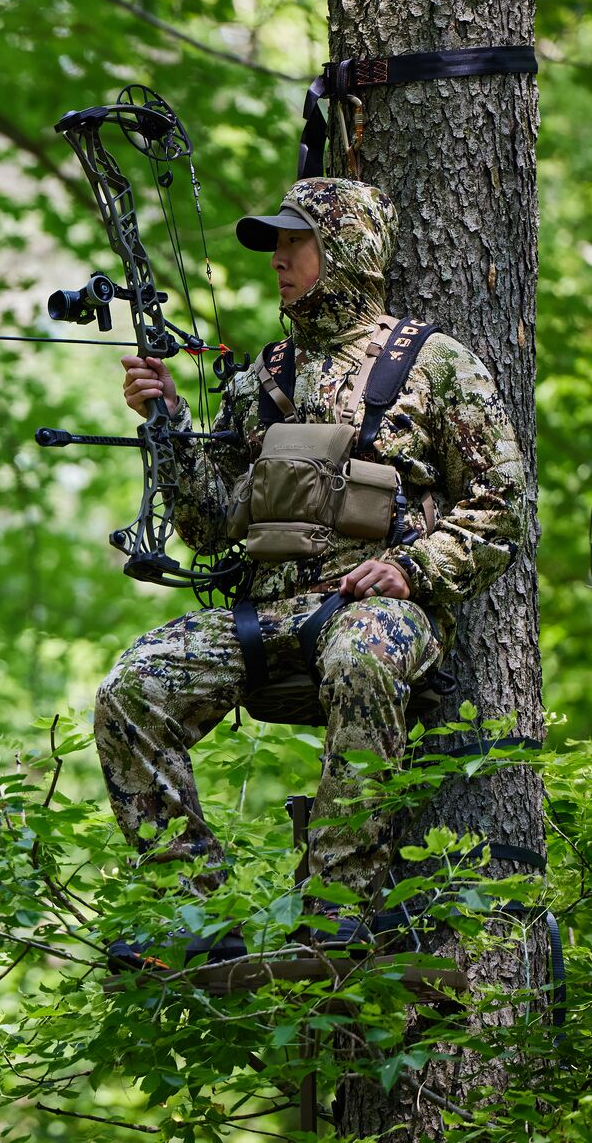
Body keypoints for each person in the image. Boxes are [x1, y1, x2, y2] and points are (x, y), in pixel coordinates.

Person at [93, 175, 527, 921]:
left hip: (378, 612)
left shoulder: (433, 362)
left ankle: (338, 906)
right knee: (133, 684)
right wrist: (164, 423)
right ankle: (189, 907)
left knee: (360, 655)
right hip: (270, 614)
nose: (278, 258)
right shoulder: (262, 377)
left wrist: (410, 568)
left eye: (295, 241)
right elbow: (209, 523)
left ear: (346, 247)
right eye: (277, 244)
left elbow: (503, 501)